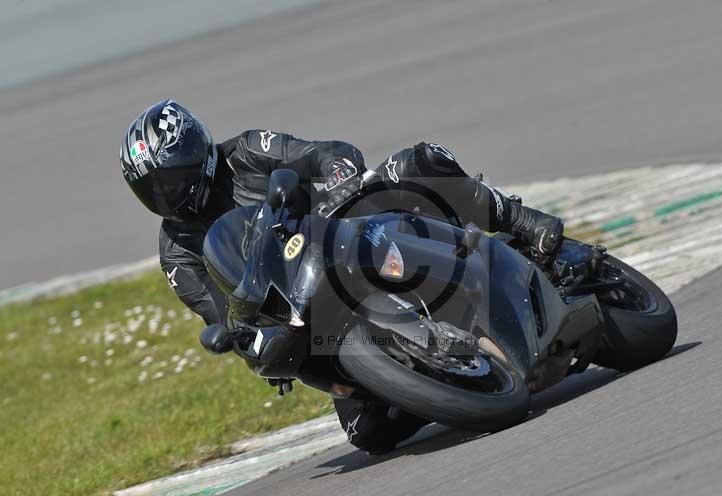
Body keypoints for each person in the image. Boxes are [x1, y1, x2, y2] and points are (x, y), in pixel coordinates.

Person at [120, 99, 564, 453]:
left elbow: (320, 153)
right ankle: (445, 373)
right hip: (303, 306)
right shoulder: (177, 253)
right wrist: (248, 342)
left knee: (417, 164)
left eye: (171, 179)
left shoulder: (247, 151)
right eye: (152, 191)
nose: (166, 196)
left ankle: (520, 220)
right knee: (369, 433)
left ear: (196, 154)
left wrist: (337, 174)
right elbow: (222, 313)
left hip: (341, 234)